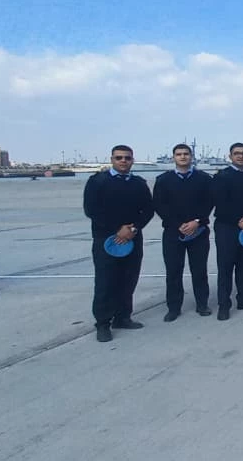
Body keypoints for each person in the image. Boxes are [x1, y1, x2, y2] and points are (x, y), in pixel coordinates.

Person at [82, 145, 155, 341]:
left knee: (128, 279)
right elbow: (91, 210)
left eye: (127, 158)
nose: (123, 161)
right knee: (105, 282)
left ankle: (123, 317)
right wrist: (118, 229)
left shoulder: (138, 183)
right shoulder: (98, 181)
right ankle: (103, 323)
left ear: (132, 160)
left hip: (132, 237)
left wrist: (134, 228)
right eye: (119, 157)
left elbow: (148, 209)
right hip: (106, 239)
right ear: (112, 159)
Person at [153, 143, 214, 321]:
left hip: (199, 231)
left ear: (191, 156)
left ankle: (202, 304)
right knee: (173, 271)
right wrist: (177, 224)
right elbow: (159, 205)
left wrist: (197, 221)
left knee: (199, 270)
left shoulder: (204, 179)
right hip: (173, 233)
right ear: (174, 157)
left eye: (186, 154)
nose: (183, 157)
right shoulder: (163, 180)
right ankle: (173, 308)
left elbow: (209, 202)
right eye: (179, 154)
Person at [211, 142, 243, 321]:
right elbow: (220, 203)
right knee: (225, 267)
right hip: (227, 227)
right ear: (230, 156)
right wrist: (239, 221)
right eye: (237, 153)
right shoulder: (221, 177)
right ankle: (224, 305)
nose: (240, 156)